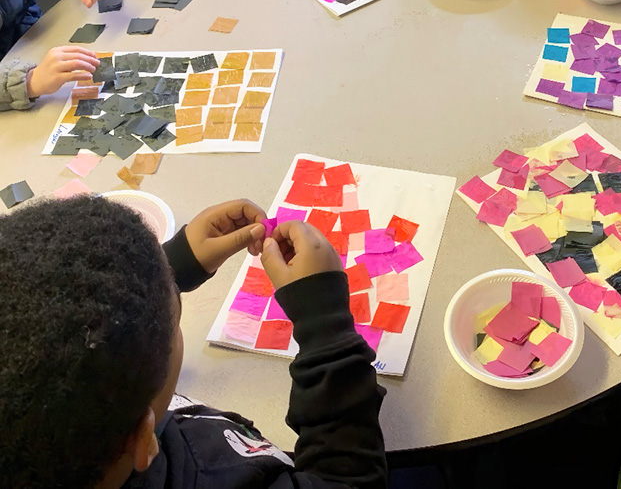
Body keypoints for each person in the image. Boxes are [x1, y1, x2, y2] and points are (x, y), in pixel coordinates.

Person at [0, 195, 387, 489]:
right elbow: (348, 480)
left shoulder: (80, 421)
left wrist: (167, 268)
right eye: (171, 323)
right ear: (142, 440)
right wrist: (326, 326)